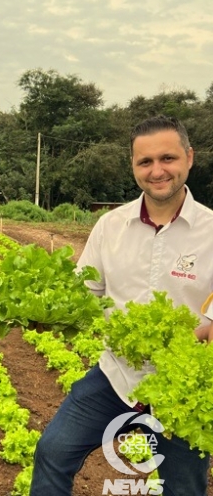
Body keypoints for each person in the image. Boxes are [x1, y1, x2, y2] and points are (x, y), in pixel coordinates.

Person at [29, 115, 213, 496]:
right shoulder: (110, 226)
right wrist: (47, 311)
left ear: (189, 158)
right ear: (133, 166)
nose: (157, 170)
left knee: (184, 488)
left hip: (179, 387)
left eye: (168, 158)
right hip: (117, 376)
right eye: (145, 162)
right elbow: (85, 292)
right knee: (52, 451)